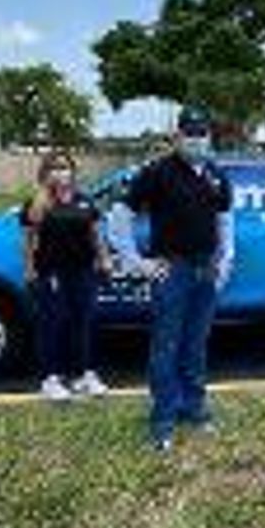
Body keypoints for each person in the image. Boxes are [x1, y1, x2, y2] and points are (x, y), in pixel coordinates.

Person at [110, 108, 234, 452]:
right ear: (177, 136)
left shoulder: (216, 174)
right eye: (189, 133)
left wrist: (225, 260)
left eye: (202, 133)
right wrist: (138, 262)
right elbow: (120, 216)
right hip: (172, 270)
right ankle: (162, 419)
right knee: (166, 346)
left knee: (196, 344)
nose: (196, 140)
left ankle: (194, 410)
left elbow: (225, 220)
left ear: (209, 137)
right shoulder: (157, 172)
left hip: (205, 268)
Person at [23, 150, 114, 403]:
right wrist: (30, 270)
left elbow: (95, 234)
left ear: (73, 172)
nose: (60, 172)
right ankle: (51, 377)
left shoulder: (84, 201)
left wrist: (104, 259)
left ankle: (84, 374)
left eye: (65, 167)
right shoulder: (38, 202)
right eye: (54, 168)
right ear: (45, 172)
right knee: (53, 323)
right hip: (51, 271)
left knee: (84, 322)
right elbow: (29, 240)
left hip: (83, 270)